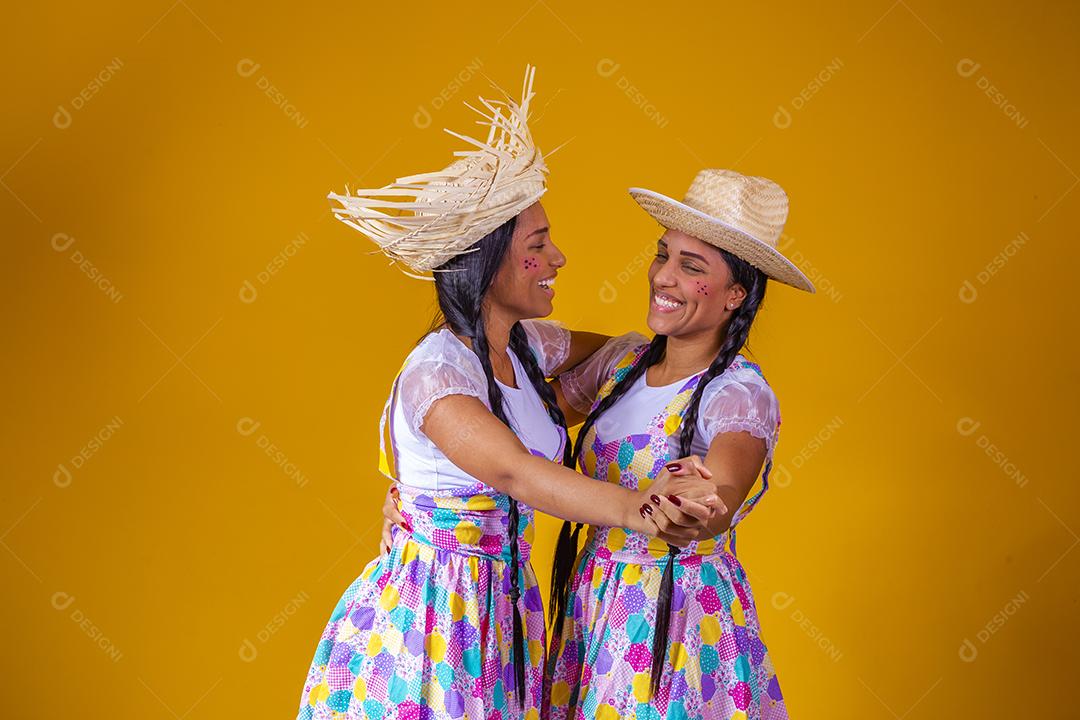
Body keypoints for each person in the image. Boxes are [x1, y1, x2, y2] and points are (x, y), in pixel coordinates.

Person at [295, 66, 721, 720]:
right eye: (538, 245)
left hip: (499, 617)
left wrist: (673, 355)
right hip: (432, 620)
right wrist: (642, 508)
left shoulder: (526, 347)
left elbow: (622, 355)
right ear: (488, 261)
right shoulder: (438, 374)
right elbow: (518, 472)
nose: (558, 260)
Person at [541, 168, 815, 720]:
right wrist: (422, 486)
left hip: (677, 620)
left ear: (736, 295)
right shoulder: (621, 364)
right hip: (595, 602)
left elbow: (725, 487)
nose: (663, 277)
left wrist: (699, 508)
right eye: (663, 255)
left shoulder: (736, 393)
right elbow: (513, 407)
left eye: (691, 267)